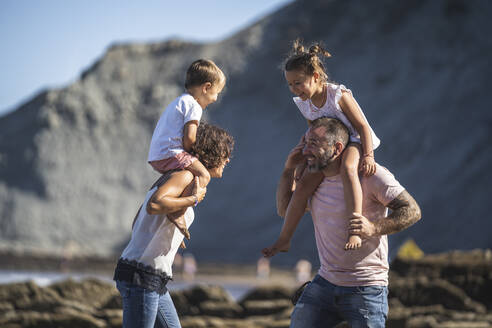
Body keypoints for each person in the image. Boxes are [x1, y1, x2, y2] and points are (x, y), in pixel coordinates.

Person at [263, 117, 421, 327]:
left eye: (314, 144)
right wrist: (288, 170)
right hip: (325, 282)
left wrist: (374, 228)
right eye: (305, 142)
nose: (305, 150)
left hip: (366, 288)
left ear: (337, 148)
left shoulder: (372, 176)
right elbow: (284, 209)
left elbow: (412, 210)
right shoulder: (312, 182)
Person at [114, 123, 234, 328]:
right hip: (141, 276)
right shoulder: (184, 176)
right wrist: (193, 199)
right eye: (225, 153)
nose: (228, 159)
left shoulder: (175, 176)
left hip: (152, 278)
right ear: (212, 152)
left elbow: (138, 221)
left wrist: (169, 235)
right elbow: (154, 205)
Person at [266, 40, 380, 252]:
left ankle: (354, 228)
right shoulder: (304, 103)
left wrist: (369, 156)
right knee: (302, 186)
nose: (294, 89)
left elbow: (363, 126)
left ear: (316, 77)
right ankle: (284, 238)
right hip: (328, 148)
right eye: (290, 84)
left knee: (347, 169)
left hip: (354, 140)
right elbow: (313, 131)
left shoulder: (337, 95)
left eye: (298, 83)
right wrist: (302, 164)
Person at [147, 59, 226, 239]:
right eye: (217, 93)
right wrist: (194, 154)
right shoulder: (194, 105)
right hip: (172, 152)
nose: (215, 99)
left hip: (158, 155)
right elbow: (190, 137)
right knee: (204, 175)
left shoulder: (179, 101)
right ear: (206, 87)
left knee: (190, 174)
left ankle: (175, 204)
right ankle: (178, 211)